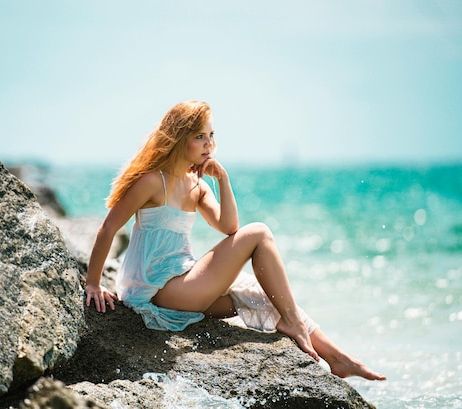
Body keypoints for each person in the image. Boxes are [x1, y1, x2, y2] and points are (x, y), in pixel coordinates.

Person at [85, 100, 386, 381]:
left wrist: (222, 179)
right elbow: (108, 229)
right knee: (260, 233)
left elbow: (229, 227)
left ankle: (336, 357)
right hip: (159, 287)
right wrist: (94, 284)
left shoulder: (197, 187)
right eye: (200, 136)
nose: (209, 144)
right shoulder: (152, 181)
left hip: (186, 286)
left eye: (211, 135)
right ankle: (296, 326)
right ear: (179, 139)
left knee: (262, 295)